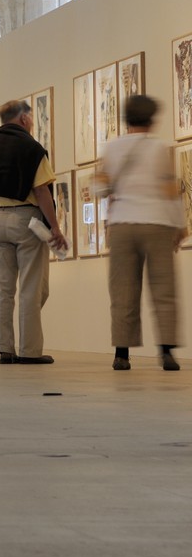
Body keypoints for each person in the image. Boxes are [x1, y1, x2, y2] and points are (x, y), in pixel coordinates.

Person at [0, 97, 69, 364]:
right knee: (32, 287)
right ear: (24, 118)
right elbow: (41, 190)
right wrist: (55, 227)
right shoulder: (32, 148)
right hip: (27, 220)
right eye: (29, 118)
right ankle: (30, 350)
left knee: (3, 289)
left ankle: (5, 349)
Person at [97, 94, 184, 371]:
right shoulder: (158, 148)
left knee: (122, 291)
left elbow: (99, 188)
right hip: (156, 223)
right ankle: (167, 353)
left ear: (127, 118)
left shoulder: (112, 148)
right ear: (152, 118)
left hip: (122, 223)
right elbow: (169, 191)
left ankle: (121, 355)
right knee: (164, 289)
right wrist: (180, 225)